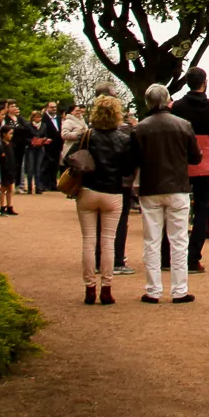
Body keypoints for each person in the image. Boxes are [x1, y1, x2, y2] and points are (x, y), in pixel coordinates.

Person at [134, 83, 199, 303]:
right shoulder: (183, 125)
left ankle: (153, 290)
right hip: (178, 186)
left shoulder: (140, 128)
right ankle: (179, 289)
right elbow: (196, 157)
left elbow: (132, 160)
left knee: (152, 240)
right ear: (168, 100)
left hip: (151, 186)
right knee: (179, 239)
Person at [73, 94, 137, 304]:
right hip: (113, 191)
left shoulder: (87, 135)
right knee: (108, 242)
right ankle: (107, 288)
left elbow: (68, 159)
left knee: (89, 241)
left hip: (88, 189)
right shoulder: (123, 138)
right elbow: (129, 168)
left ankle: (89, 287)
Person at [173, 71, 209, 273]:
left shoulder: (175, 107)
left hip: (181, 164)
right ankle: (193, 258)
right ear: (204, 83)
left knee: (177, 211)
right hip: (206, 164)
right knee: (201, 211)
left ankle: (171, 256)